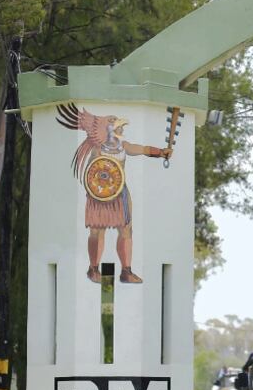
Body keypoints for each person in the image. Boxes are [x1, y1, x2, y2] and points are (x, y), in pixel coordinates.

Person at [57, 104, 173, 284]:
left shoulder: (123, 146)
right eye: (116, 124)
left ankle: (126, 271)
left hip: (120, 194)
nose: (120, 127)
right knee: (97, 230)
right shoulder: (98, 150)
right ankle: (93, 269)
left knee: (126, 230)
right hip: (100, 194)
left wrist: (160, 152)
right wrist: (98, 189)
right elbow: (92, 174)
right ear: (107, 129)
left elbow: (141, 149)